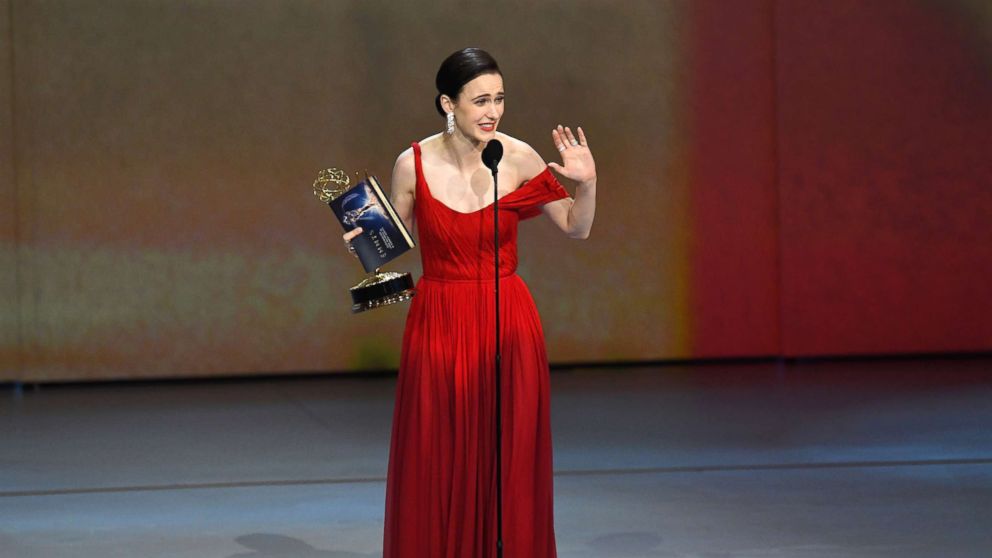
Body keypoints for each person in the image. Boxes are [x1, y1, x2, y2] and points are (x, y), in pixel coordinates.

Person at [344, 47, 596, 558]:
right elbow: (387, 257)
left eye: (499, 99)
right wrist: (361, 237)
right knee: (438, 452)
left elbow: (576, 226)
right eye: (480, 100)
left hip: (508, 322)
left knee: (509, 453)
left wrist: (587, 183)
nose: (493, 111)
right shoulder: (411, 163)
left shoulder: (518, 156)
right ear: (447, 103)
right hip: (438, 320)